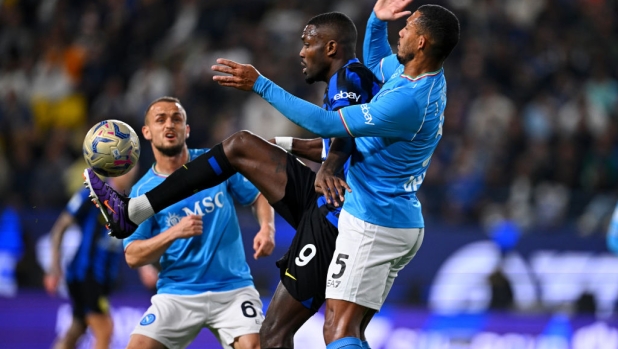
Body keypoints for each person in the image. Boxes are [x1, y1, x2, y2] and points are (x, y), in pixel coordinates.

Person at [83, 12, 381, 349]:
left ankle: (133, 212)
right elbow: (333, 140)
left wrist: (329, 165)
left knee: (282, 336)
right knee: (240, 145)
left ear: (330, 47)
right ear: (147, 132)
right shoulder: (347, 82)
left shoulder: (349, 78)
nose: (301, 52)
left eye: (307, 43)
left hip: (334, 212)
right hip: (338, 208)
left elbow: (342, 134)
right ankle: (133, 211)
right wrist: (280, 147)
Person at [210, 1, 460, 348]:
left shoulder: (408, 101)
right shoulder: (418, 75)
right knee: (349, 329)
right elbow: (373, 64)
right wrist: (375, 21)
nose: (400, 30)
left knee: (338, 329)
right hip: (395, 219)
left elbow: (327, 124)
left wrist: (260, 84)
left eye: (409, 27)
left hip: (375, 220)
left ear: (421, 43)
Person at [117, 96, 276, 349]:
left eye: (176, 119)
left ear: (186, 129)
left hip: (232, 289)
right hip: (177, 292)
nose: (169, 125)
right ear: (147, 132)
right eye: (161, 120)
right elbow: (132, 256)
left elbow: (258, 194)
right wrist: (173, 233)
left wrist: (267, 228)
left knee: (255, 345)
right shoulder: (141, 193)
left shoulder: (216, 164)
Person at [44, 168, 138, 349]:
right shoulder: (92, 192)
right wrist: (54, 267)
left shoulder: (130, 202)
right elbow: (60, 227)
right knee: (105, 328)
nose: (129, 173)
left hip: (102, 280)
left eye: (133, 167)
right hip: (85, 274)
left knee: (76, 329)